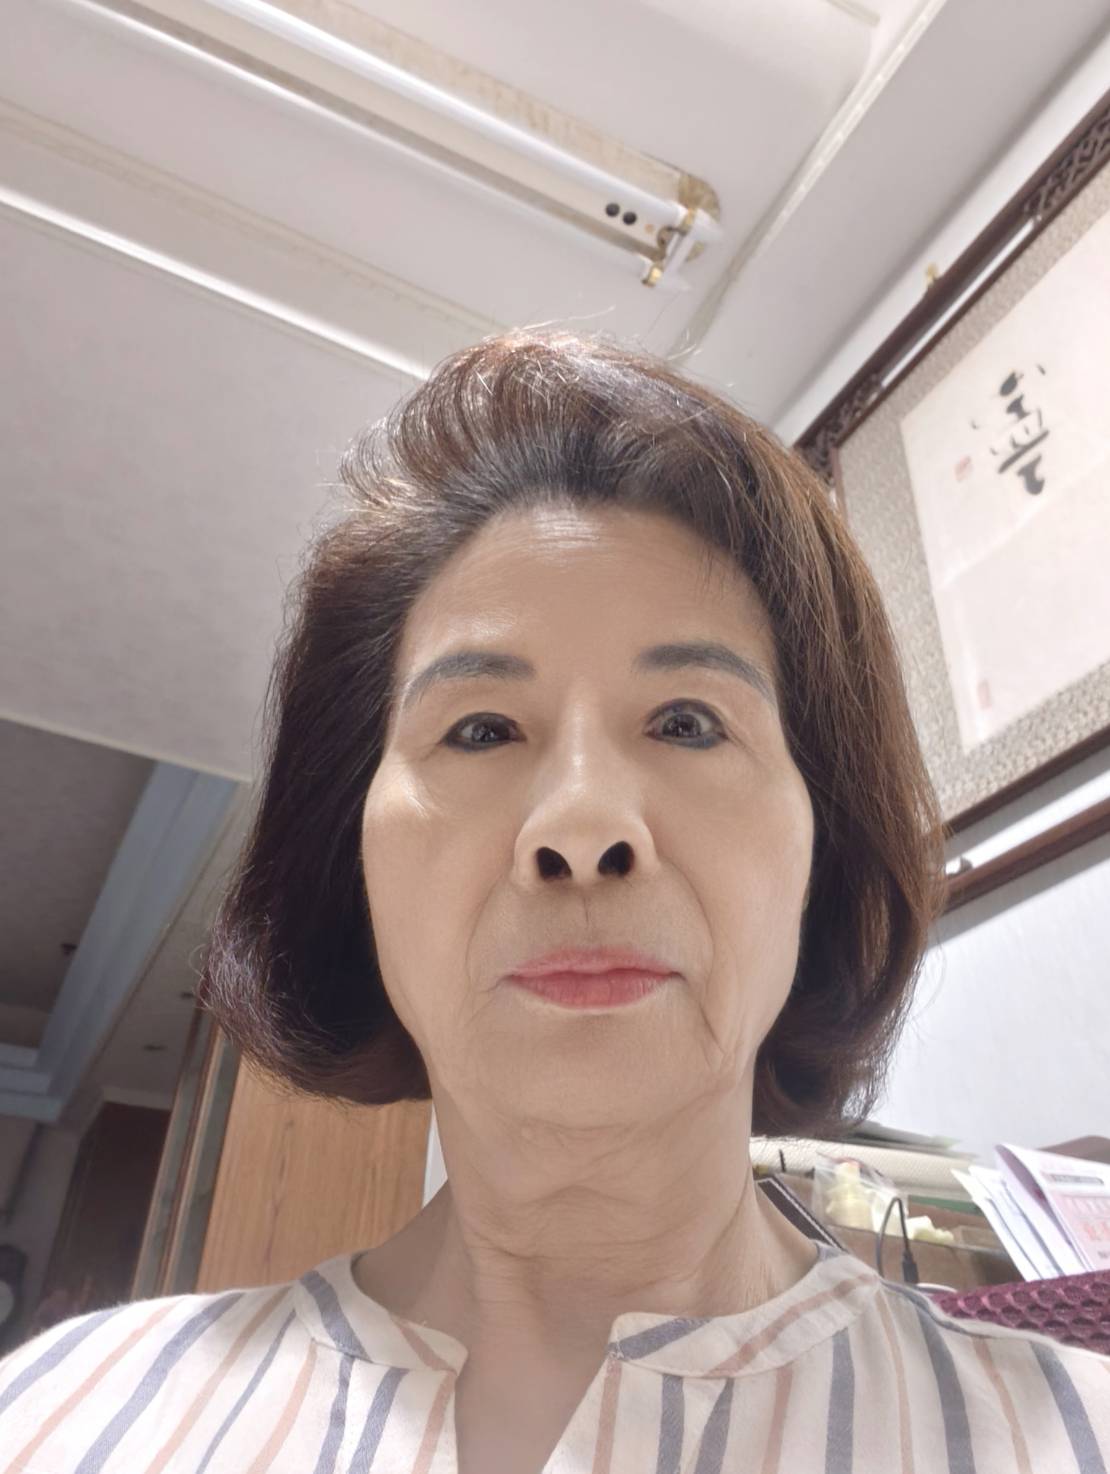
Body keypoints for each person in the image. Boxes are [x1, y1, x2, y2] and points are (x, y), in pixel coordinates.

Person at [1, 328, 1106, 1473]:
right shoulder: (59, 1420)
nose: (582, 827)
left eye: (688, 722)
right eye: (480, 730)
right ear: (353, 861)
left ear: (822, 850)